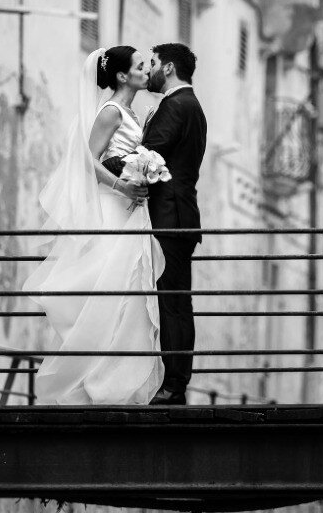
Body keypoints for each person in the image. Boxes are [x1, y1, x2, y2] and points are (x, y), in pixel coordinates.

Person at [23, 46, 165, 405]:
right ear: (121, 76)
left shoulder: (132, 111)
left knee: (127, 293)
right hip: (115, 207)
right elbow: (87, 160)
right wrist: (123, 184)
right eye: (139, 66)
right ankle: (96, 382)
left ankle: (118, 382)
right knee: (111, 289)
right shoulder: (111, 112)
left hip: (131, 208)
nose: (147, 69)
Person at [142, 42, 207, 406]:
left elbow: (151, 156)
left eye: (152, 63)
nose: (149, 70)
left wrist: (114, 167)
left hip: (170, 217)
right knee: (176, 302)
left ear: (167, 68)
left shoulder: (176, 104)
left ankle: (174, 385)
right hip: (179, 214)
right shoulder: (191, 105)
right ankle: (174, 382)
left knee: (173, 303)